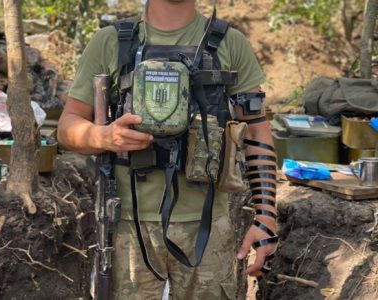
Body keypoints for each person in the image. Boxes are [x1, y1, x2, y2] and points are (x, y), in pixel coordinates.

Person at [57, 0, 278, 299]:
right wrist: (103, 136)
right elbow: (67, 127)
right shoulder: (111, 42)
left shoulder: (229, 43)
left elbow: (256, 130)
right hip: (127, 229)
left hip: (209, 227)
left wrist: (265, 218)